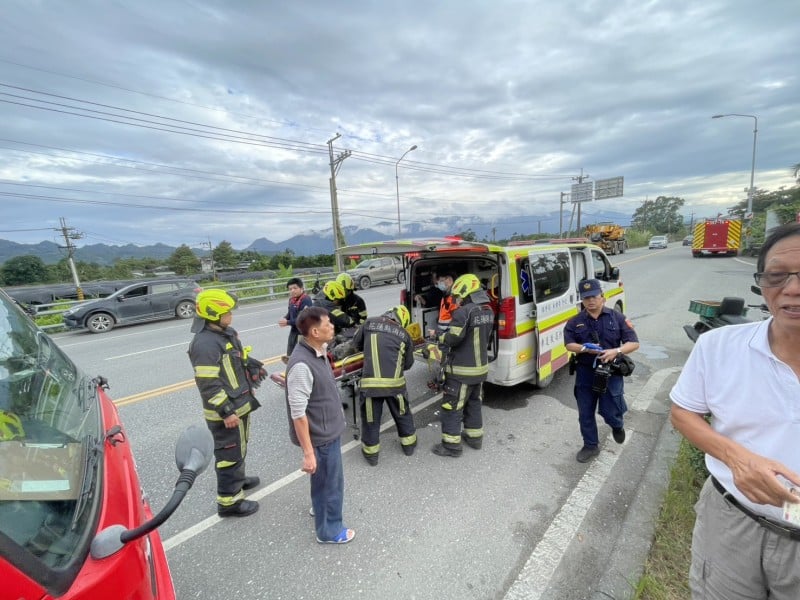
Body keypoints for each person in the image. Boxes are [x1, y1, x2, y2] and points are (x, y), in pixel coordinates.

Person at [670, 222, 800, 599]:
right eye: (777, 276)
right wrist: (736, 457)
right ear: (761, 282)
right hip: (732, 520)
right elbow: (683, 413)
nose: (792, 288)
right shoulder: (718, 347)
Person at [187, 289, 266, 517]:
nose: (231, 315)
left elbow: (235, 361)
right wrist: (226, 411)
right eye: (227, 312)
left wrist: (251, 365)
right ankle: (229, 502)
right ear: (213, 314)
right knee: (228, 455)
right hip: (226, 413)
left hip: (240, 403)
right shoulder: (205, 344)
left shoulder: (224, 334)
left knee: (239, 447)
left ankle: (238, 481)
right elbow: (208, 384)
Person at [285, 306, 355, 544]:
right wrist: (308, 453)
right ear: (315, 331)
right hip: (321, 435)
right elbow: (298, 413)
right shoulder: (302, 365)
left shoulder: (317, 349)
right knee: (330, 483)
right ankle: (329, 530)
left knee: (323, 479)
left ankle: (319, 508)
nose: (332, 326)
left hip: (326, 429)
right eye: (328, 324)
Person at [563, 279, 639, 463]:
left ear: (602, 298)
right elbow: (569, 344)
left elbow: (634, 343)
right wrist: (584, 349)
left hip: (611, 372)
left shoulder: (617, 317)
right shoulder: (575, 322)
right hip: (586, 372)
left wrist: (616, 351)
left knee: (610, 409)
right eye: (586, 298)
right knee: (585, 412)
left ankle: (617, 425)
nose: (590, 301)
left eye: (594, 297)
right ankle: (590, 445)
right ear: (582, 300)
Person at [430, 274, 494, 457]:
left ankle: (451, 447)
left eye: (459, 297)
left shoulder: (463, 312)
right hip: (480, 370)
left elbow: (453, 338)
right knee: (474, 404)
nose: (457, 300)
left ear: (467, 294)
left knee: (452, 407)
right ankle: (475, 439)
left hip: (461, 372)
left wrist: (437, 336)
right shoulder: (488, 310)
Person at [352, 305, 417, 465]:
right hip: (396, 386)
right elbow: (408, 364)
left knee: (370, 420)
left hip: (370, 386)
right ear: (402, 321)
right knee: (403, 415)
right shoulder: (405, 334)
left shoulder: (369, 323)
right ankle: (409, 447)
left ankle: (371, 456)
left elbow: (356, 343)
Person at [278, 277, 313, 363]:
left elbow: (302, 318)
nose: (292, 291)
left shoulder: (306, 300)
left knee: (302, 356)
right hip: (294, 331)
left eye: (295, 288)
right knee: (291, 354)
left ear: (301, 288)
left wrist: (288, 322)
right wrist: (285, 318)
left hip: (304, 333)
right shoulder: (291, 300)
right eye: (290, 289)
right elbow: (290, 313)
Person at [426, 272, 457, 338]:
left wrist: (437, 334)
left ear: (449, 280)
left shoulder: (454, 298)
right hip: (444, 336)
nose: (438, 285)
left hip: (449, 338)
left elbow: (456, 326)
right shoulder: (446, 297)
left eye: (440, 281)